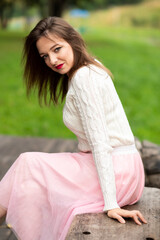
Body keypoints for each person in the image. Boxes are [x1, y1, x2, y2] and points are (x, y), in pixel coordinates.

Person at [0, 16, 147, 240]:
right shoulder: (90, 67)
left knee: (28, 164)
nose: (52, 60)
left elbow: (100, 143)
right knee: (30, 185)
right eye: (45, 56)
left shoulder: (84, 77)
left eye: (57, 49)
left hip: (117, 173)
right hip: (126, 168)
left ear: (73, 40)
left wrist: (110, 204)